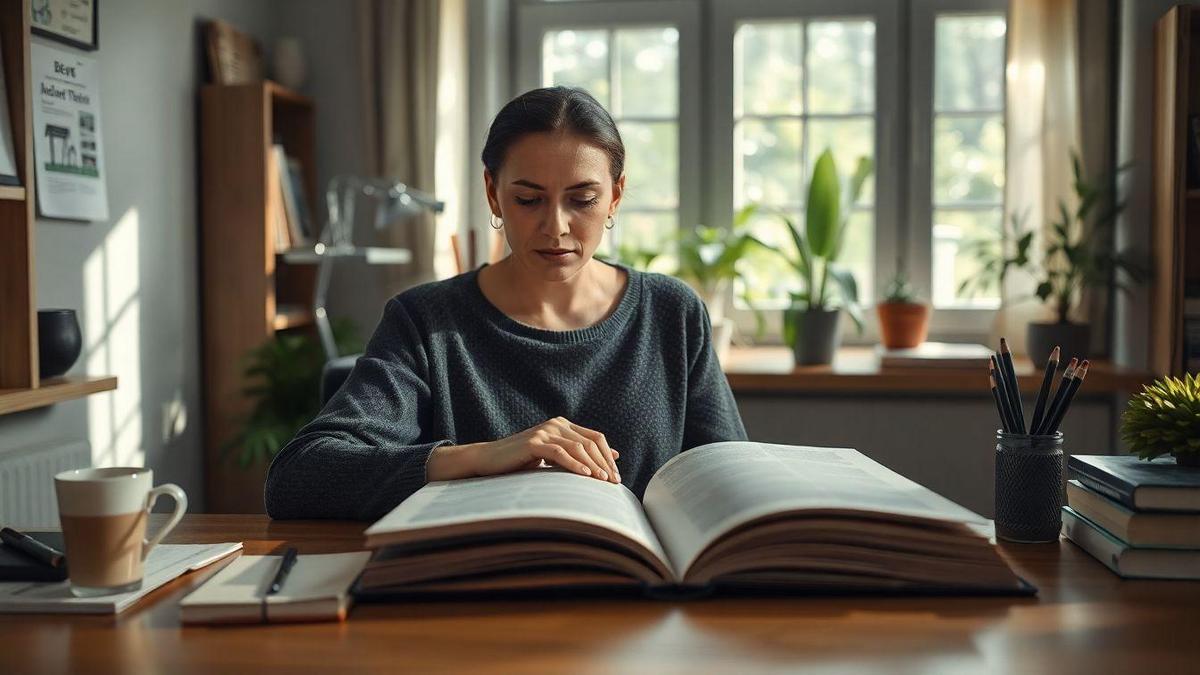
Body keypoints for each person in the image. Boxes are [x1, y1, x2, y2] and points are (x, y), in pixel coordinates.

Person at [264, 86, 747, 521]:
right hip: (478, 598)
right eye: (529, 200)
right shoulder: (425, 322)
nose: (555, 226)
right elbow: (298, 477)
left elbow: (729, 481)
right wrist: (479, 457)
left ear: (615, 196)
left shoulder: (672, 313)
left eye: (581, 200)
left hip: (644, 597)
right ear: (493, 194)